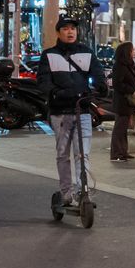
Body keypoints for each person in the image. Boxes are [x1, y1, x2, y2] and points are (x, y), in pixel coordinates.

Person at [37, 16, 107, 207]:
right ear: (58, 32)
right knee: (62, 154)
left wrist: (101, 86)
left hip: (82, 111)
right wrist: (56, 93)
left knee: (82, 154)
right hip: (60, 113)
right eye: (66, 28)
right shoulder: (49, 55)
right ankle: (66, 192)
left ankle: (82, 191)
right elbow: (43, 82)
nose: (70, 32)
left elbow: (98, 74)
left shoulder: (87, 53)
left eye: (73, 28)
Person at [110, 41, 135, 162]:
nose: (134, 52)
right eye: (132, 50)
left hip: (128, 102)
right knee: (119, 128)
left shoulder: (128, 65)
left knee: (123, 129)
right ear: (127, 52)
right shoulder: (120, 66)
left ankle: (123, 151)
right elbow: (117, 84)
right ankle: (116, 153)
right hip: (123, 102)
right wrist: (131, 90)